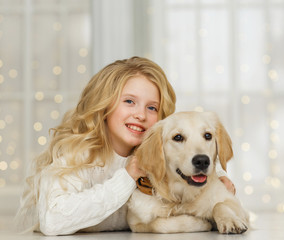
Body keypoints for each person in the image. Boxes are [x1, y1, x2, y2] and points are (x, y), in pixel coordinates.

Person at [15, 56, 235, 236]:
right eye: (129, 101)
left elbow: (190, 158)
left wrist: (216, 178)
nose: (140, 115)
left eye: (152, 108)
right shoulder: (77, 154)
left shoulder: (158, 153)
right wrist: (128, 177)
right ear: (103, 105)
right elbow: (52, 222)